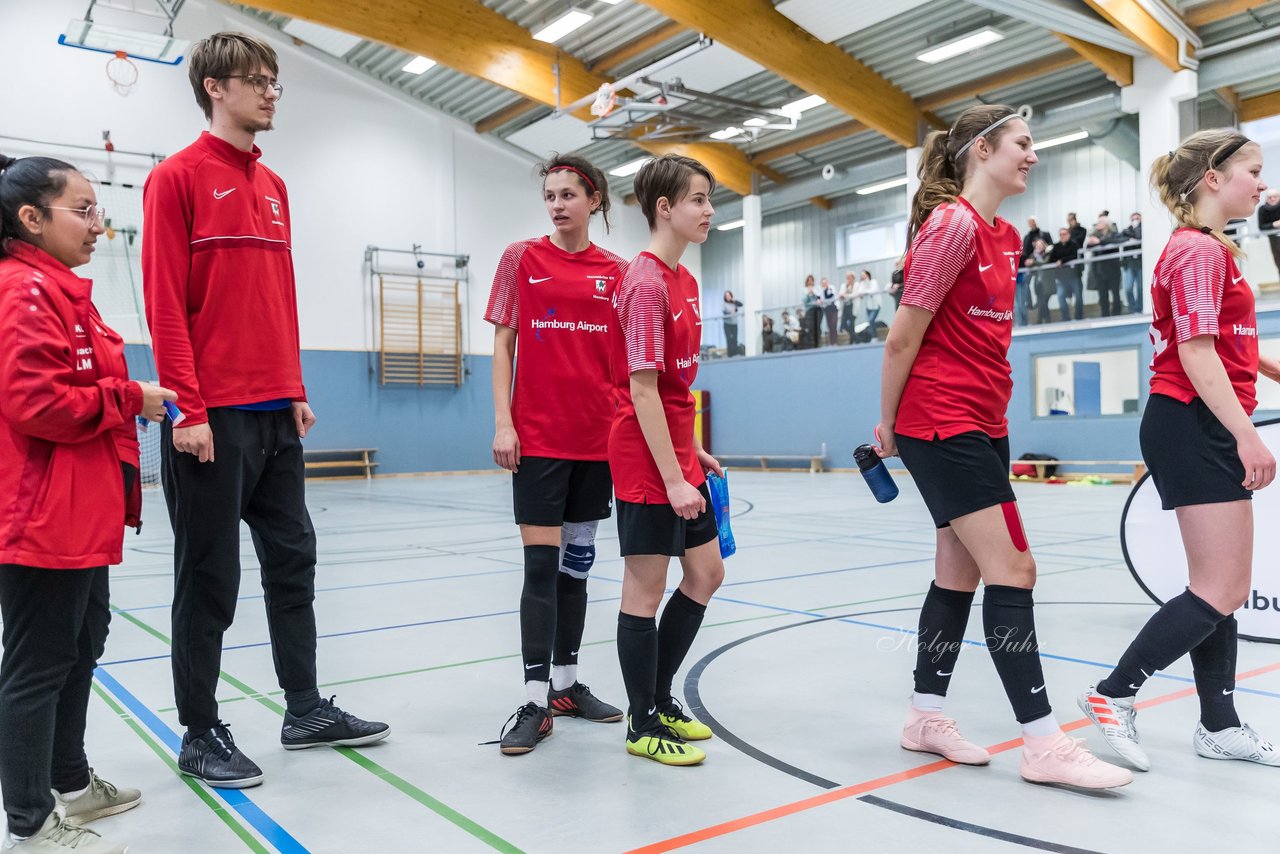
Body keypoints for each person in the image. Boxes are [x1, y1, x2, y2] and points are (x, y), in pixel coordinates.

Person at [142, 32, 388, 789]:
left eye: (274, 81)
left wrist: (296, 387)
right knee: (208, 579)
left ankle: (305, 708)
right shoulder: (176, 179)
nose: (271, 92)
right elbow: (165, 305)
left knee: (293, 563)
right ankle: (199, 729)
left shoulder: (274, 185)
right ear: (215, 87)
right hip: (210, 419)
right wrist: (187, 409)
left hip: (276, 414)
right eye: (257, 80)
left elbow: (275, 297)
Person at [875, 104, 1131, 789]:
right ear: (982, 149)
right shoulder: (952, 224)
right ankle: (1043, 742)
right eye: (1022, 144)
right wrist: (889, 420)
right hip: (942, 419)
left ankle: (924, 715)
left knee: (958, 573)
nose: (1032, 155)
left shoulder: (1007, 234)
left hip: (985, 423)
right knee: (1014, 571)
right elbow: (904, 334)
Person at [1079, 129, 1280, 772]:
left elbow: (1224, 346)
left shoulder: (1211, 250)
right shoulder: (1196, 250)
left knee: (1218, 586)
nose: (1263, 183)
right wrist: (1248, 434)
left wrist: (1270, 374)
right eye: (1253, 170)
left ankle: (1218, 724)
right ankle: (1114, 693)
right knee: (1223, 587)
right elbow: (1194, 354)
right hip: (1195, 422)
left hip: (1200, 419)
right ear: (1214, 179)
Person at [0, 154, 176, 853]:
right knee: (38, 664)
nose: (99, 224)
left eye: (98, 208)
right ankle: (28, 821)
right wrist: (132, 398)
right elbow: (36, 403)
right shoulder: (22, 292)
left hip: (83, 512)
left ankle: (70, 782)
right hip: (42, 517)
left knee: (82, 644)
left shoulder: (61, 289)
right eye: (83, 209)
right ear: (32, 218)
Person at [485, 154, 627, 754]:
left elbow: (628, 365)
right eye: (550, 194)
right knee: (540, 569)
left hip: (598, 443)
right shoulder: (522, 258)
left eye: (569, 193)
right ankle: (533, 698)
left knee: (577, 568)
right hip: (538, 441)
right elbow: (502, 345)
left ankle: (566, 686)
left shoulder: (619, 272)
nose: (558, 203)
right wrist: (504, 422)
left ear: (593, 201)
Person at [610, 155, 724, 766]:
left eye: (710, 200)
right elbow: (643, 389)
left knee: (706, 573)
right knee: (645, 589)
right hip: (645, 460)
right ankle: (640, 722)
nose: (709, 211)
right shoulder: (647, 280)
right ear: (664, 208)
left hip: (678, 449)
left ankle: (658, 699)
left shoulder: (687, 280)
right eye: (699, 199)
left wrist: (693, 451)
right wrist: (675, 476)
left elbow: (676, 390)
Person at [1086, 215, 1124, 316]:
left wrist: (1100, 242)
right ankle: (1105, 314)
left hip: (1113, 270)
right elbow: (1088, 246)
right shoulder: (1095, 236)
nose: (1097, 224)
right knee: (1103, 295)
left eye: (1100, 222)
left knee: (1115, 293)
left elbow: (1118, 241)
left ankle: (1117, 313)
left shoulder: (1114, 234)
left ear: (1106, 224)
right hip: (1099, 271)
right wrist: (1096, 241)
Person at [1049, 227, 1083, 321]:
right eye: (1061, 234)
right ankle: (1066, 318)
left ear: (1069, 235)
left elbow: (1074, 256)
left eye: (1064, 234)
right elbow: (1052, 259)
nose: (1062, 236)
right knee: (1060, 296)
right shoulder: (1056, 246)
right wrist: (1059, 261)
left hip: (1074, 276)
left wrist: (1062, 260)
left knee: (1078, 296)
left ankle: (1079, 317)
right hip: (1061, 277)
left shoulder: (1074, 244)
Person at [1027, 239, 1055, 324]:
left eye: (1040, 245)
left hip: (1047, 282)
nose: (1039, 246)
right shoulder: (1033, 255)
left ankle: (1042, 321)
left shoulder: (1048, 253)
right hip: (1038, 283)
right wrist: (1032, 259)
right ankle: (1046, 320)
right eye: (1037, 245)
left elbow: (1045, 262)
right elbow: (1029, 264)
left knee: (1042, 302)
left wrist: (1034, 262)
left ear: (1044, 245)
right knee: (1042, 302)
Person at [1120, 212, 1143, 313]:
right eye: (1133, 219)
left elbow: (1139, 236)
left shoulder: (1144, 228)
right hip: (1129, 264)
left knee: (1140, 288)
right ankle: (1132, 308)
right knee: (1128, 288)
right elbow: (1121, 238)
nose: (1135, 220)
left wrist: (1133, 234)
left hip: (1140, 263)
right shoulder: (1127, 229)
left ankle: (1139, 308)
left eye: (1137, 218)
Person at [1258, 188, 1280, 278]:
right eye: (1270, 197)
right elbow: (1261, 226)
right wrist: (1274, 224)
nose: (1272, 199)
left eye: (1275, 197)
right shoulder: (1262, 209)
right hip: (1273, 239)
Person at [721, 289, 743, 356]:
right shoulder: (724, 304)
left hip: (734, 323)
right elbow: (724, 312)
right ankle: (730, 355)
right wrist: (730, 312)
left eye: (729, 295)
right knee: (729, 339)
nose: (727, 297)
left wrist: (734, 301)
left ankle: (735, 354)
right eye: (726, 296)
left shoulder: (734, 303)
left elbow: (741, 304)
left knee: (735, 339)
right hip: (727, 324)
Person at [801, 276, 821, 349]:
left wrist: (813, 292)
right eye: (808, 280)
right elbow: (804, 300)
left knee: (817, 327)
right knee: (811, 327)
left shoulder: (817, 288)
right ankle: (812, 345)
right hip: (809, 310)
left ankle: (818, 344)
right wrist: (808, 293)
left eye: (811, 280)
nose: (810, 282)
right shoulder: (804, 290)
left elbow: (820, 297)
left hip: (818, 309)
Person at [838, 272, 857, 343]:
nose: (848, 279)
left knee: (852, 324)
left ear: (853, 278)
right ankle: (855, 336)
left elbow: (854, 294)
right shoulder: (844, 285)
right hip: (845, 306)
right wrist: (844, 295)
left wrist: (845, 295)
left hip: (852, 306)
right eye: (847, 277)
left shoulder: (856, 285)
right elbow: (840, 294)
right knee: (843, 323)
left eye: (850, 277)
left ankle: (852, 341)